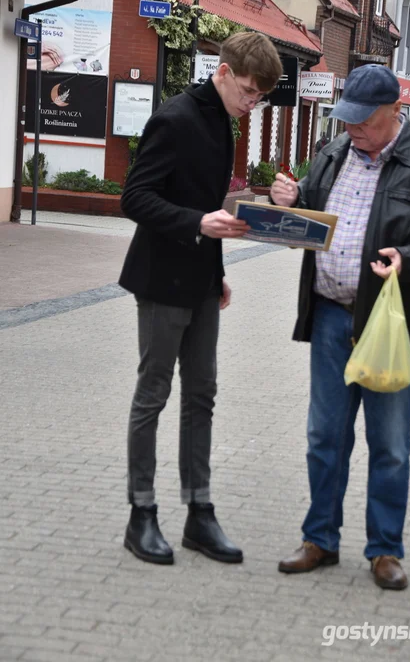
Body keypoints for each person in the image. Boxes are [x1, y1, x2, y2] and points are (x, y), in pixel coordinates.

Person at [271, 64, 410, 589]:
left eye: (362, 120)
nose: (351, 128)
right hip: (332, 318)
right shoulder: (334, 153)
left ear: (393, 113)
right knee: (324, 437)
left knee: (390, 443)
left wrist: (407, 258)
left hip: (389, 324)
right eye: (347, 118)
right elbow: (312, 222)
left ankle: (385, 549)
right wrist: (290, 205)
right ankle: (320, 539)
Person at [119, 32, 283, 565]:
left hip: (200, 281)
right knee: (154, 395)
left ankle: (199, 513)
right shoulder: (176, 116)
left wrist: (217, 276)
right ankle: (141, 514)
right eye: (250, 92)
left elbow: (207, 204)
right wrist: (196, 223)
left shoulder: (222, 121)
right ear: (224, 71)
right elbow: (136, 197)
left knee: (202, 396)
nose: (252, 103)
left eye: (260, 97)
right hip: (161, 279)